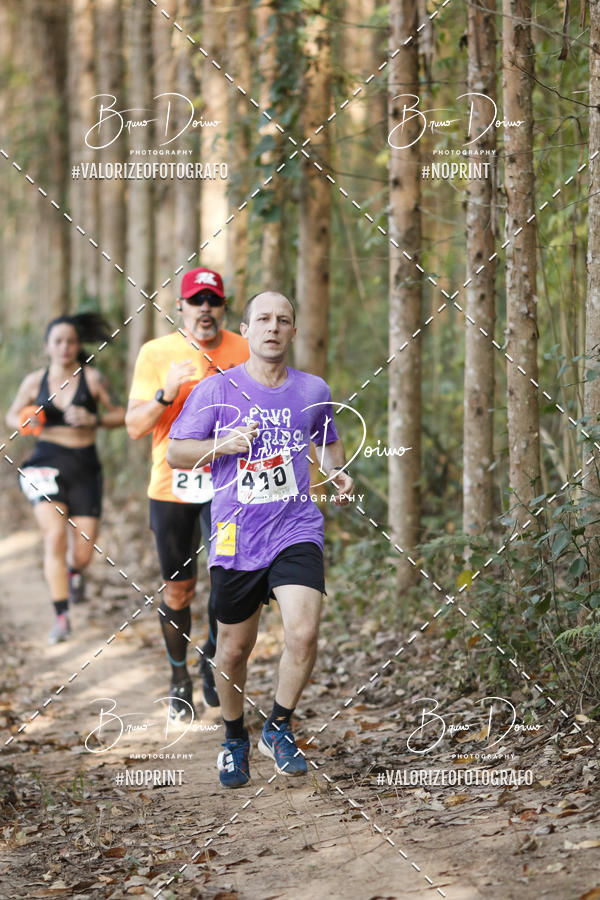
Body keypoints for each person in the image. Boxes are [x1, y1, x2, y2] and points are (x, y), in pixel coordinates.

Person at [167, 290, 354, 788]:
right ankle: (233, 739)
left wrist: (338, 473)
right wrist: (219, 445)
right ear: (244, 330)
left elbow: (330, 444)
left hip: (296, 527)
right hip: (235, 532)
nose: (273, 327)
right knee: (233, 649)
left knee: (304, 633)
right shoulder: (216, 390)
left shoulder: (314, 390)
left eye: (284, 320)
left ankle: (278, 726)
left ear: (293, 331)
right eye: (263, 319)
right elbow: (175, 454)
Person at [126, 267, 249, 720]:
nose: (204, 310)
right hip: (172, 488)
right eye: (195, 301)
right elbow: (135, 427)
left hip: (230, 487)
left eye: (212, 301)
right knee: (179, 591)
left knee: (232, 581)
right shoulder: (157, 353)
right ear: (180, 307)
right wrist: (167, 393)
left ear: (223, 307)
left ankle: (210, 658)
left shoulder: (244, 349)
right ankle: (178, 675)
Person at [6, 313, 125, 644]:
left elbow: (123, 415)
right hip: (44, 463)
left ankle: (74, 574)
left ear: (78, 346)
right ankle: (60, 616)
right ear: (47, 346)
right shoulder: (34, 381)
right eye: (58, 341)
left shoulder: (93, 379)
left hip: (85, 466)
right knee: (54, 535)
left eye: (71, 341)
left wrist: (94, 418)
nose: (64, 347)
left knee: (83, 554)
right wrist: (26, 419)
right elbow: (10, 415)